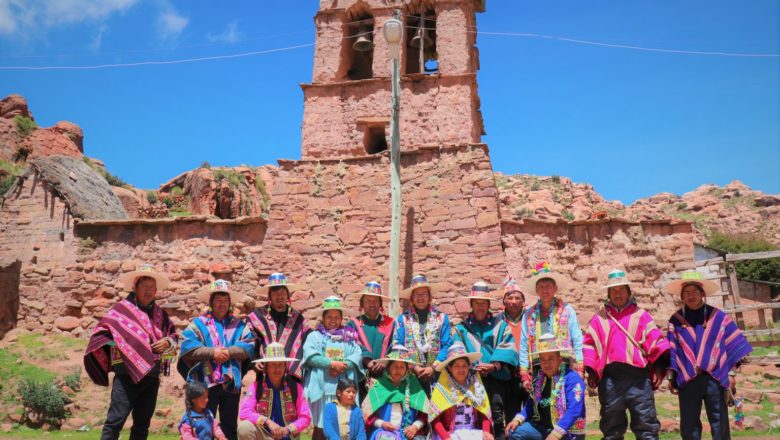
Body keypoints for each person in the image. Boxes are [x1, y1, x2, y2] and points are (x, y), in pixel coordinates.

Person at [84, 263, 179, 440]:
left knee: (142, 425)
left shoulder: (161, 315)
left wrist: (167, 342)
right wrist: (122, 345)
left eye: (152, 288)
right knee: (115, 421)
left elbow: (173, 335)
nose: (149, 291)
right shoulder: (121, 310)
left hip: (151, 376)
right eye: (145, 287)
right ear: (135, 288)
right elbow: (101, 333)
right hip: (126, 375)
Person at [582, 269, 670, 440]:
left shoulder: (641, 316)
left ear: (629, 292)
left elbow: (655, 340)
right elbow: (589, 344)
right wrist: (591, 371)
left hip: (639, 381)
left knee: (646, 428)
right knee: (612, 430)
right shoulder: (599, 319)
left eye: (622, 290)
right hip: (610, 382)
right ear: (608, 294)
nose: (618, 294)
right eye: (614, 291)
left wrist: (659, 367)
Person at [665, 270, 752, 440]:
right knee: (689, 425)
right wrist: (671, 377)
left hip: (715, 378)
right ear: (682, 296)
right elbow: (672, 350)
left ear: (702, 294)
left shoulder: (718, 317)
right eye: (687, 293)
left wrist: (731, 372)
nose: (691, 296)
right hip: (688, 379)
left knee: (719, 422)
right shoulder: (675, 320)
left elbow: (731, 345)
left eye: (695, 292)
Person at [179, 280, 255, 440]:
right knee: (204, 426)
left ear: (230, 303)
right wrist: (212, 353)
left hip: (231, 383)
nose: (222, 304)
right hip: (206, 384)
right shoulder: (198, 324)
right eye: (218, 300)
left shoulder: (240, 325)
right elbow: (187, 348)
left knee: (229, 426)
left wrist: (228, 352)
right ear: (211, 302)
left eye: (225, 300)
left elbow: (248, 346)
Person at [453, 281, 519, 440]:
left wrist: (494, 365)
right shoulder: (461, 329)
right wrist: (470, 367)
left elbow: (509, 347)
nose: (480, 306)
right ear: (471, 304)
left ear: (488, 304)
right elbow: (457, 351)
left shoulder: (500, 325)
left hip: (495, 379)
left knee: (496, 416)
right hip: (470, 380)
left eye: (484, 303)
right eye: (477, 303)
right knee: (474, 417)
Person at [303, 296, 365, 440]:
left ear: (341, 318)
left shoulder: (348, 338)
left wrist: (344, 366)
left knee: (343, 424)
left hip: (343, 389)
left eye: (337, 317)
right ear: (323, 318)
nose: (333, 320)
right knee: (320, 425)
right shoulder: (314, 336)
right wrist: (330, 364)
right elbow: (310, 356)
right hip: (322, 388)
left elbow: (357, 354)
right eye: (329, 317)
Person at [505, 334, 586, 440]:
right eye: (543, 360)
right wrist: (517, 420)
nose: (546, 364)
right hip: (543, 429)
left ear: (560, 359)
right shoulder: (539, 379)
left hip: (567, 432)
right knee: (515, 432)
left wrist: (556, 434)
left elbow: (574, 409)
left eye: (551, 359)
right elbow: (530, 405)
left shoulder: (572, 379)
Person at [518, 262, 583, 392]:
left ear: (555, 288)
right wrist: (525, 374)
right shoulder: (529, 315)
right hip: (539, 365)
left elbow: (577, 339)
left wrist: (580, 366)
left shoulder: (567, 310)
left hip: (563, 363)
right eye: (541, 287)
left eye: (548, 286)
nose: (545, 290)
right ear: (537, 291)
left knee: (565, 400)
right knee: (542, 404)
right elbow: (524, 344)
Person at [237, 342, 312, 440]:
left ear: (285, 367)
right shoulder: (257, 387)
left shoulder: (295, 387)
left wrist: (287, 429)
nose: (277, 369)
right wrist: (267, 421)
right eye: (273, 365)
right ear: (266, 368)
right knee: (244, 428)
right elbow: (244, 412)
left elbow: (305, 417)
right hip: (264, 434)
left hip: (287, 436)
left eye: (281, 364)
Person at [393, 274, 454, 394]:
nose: (420, 298)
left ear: (430, 297)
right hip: (409, 374)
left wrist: (433, 368)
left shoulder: (441, 318)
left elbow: (447, 345)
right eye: (416, 294)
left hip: (436, 375)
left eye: (424, 294)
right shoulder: (402, 320)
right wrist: (414, 367)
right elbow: (397, 345)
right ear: (411, 298)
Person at [247, 273, 309, 380]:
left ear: (287, 295)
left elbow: (308, 339)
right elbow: (250, 340)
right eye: (275, 293)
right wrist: (254, 361)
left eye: (283, 293)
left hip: (290, 375)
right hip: (265, 372)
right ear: (269, 296)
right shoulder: (258, 316)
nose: (279, 297)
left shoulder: (297, 318)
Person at [362, 345, 430, 440]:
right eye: (395, 366)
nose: (398, 370)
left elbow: (424, 414)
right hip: (384, 431)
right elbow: (368, 414)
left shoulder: (413, 385)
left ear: (407, 369)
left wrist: (415, 427)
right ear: (388, 367)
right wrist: (382, 424)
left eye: (402, 367)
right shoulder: (379, 385)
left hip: (409, 432)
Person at [429, 342, 493, 440]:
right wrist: (446, 437)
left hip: (474, 432)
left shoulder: (476, 386)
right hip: (449, 434)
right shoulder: (442, 388)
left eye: (464, 365)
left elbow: (484, 412)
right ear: (450, 368)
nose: (461, 369)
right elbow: (435, 419)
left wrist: (486, 432)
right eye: (457, 366)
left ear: (469, 367)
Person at [347, 281, 396, 403]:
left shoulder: (391, 323)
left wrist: (385, 362)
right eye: (368, 301)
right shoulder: (353, 324)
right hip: (361, 376)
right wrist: (367, 361)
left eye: (375, 301)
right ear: (362, 303)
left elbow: (396, 345)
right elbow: (351, 345)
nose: (372, 304)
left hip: (386, 376)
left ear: (380, 304)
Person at [495, 277, 529, 422]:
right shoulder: (497, 321)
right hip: (508, 375)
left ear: (523, 301)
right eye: (510, 297)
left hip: (529, 374)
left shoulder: (531, 319)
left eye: (518, 298)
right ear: (504, 301)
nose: (514, 301)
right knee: (511, 416)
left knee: (533, 415)